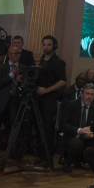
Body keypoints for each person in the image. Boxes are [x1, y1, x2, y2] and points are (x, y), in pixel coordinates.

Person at [31, 35, 67, 166]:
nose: (46, 47)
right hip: (39, 98)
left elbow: (63, 81)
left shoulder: (58, 61)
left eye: (49, 45)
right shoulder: (42, 59)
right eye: (44, 44)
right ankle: (40, 155)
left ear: (54, 46)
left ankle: (47, 157)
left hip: (50, 99)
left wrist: (47, 89)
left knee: (47, 129)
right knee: (38, 127)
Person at [58, 85, 94, 173]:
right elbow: (62, 125)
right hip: (72, 134)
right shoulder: (71, 105)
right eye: (87, 94)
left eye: (92, 95)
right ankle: (67, 163)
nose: (89, 97)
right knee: (75, 143)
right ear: (81, 94)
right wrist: (79, 130)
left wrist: (93, 133)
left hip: (87, 137)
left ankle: (85, 163)